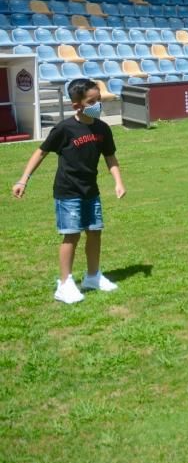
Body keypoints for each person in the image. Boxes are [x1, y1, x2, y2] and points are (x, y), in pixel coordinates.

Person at [11, 78, 127, 304]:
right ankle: (64, 284)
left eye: (99, 99)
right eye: (92, 101)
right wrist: (23, 180)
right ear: (77, 105)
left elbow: (110, 157)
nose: (98, 105)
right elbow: (40, 153)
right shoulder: (64, 129)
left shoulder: (102, 128)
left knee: (95, 231)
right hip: (68, 191)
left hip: (90, 190)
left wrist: (118, 182)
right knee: (71, 234)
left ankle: (93, 276)